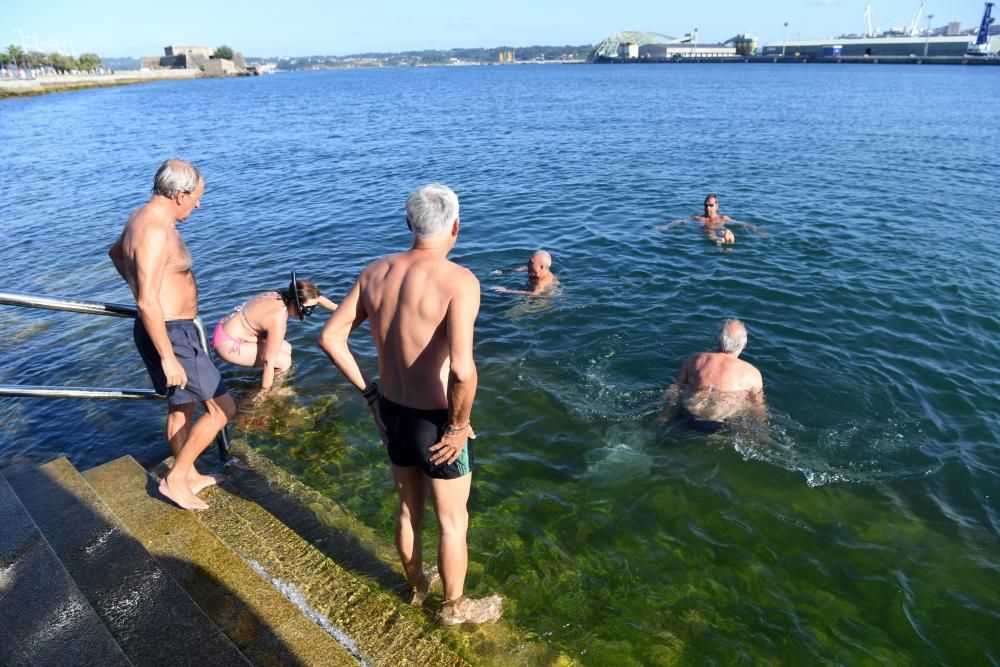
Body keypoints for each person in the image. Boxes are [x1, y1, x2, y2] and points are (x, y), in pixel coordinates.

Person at [318, 183, 501, 625]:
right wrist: (458, 427)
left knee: (407, 512)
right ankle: (454, 609)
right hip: (436, 422)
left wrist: (372, 397)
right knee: (453, 522)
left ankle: (417, 587)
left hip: (394, 414)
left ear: (409, 224)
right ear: (456, 226)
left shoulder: (375, 272)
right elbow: (462, 370)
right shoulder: (459, 281)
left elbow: (329, 337)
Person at [108, 158, 236, 510]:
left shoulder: (140, 217)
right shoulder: (154, 231)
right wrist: (168, 356)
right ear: (181, 193)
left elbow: (115, 254)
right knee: (223, 407)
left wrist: (142, 287)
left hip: (170, 330)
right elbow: (148, 302)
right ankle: (175, 479)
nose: (199, 204)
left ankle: (189, 473)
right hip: (172, 334)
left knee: (182, 406)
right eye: (197, 197)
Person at [212, 272, 337, 400]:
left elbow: (317, 298)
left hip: (227, 328)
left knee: (286, 348)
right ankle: (272, 393)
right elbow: (268, 362)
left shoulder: (283, 295)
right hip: (226, 344)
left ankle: (268, 385)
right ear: (296, 303)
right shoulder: (278, 320)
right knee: (284, 362)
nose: (309, 312)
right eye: (307, 309)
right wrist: (264, 393)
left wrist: (339, 310)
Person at [664, 319, 766, 432]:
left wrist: (664, 415)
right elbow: (759, 409)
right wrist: (763, 428)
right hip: (717, 425)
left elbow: (674, 389)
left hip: (685, 415)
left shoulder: (694, 360)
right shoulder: (752, 373)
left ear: (718, 338)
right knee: (746, 403)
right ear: (744, 344)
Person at [491, 250, 559, 295]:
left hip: (541, 298)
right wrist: (505, 272)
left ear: (541, 267)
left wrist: (507, 290)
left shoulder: (542, 283)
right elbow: (526, 267)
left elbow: (534, 294)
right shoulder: (539, 270)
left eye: (531, 262)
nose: (528, 264)